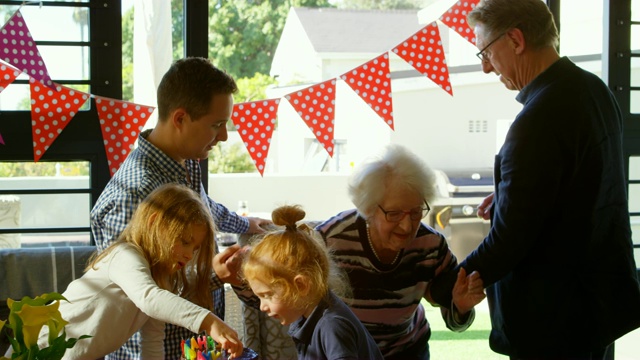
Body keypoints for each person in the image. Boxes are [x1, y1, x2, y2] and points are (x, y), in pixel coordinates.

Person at [429, 0, 640, 359]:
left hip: (555, 319)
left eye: (485, 51)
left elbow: (508, 242)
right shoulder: (593, 91)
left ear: (515, 39)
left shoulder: (536, 121)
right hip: (597, 306)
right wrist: (510, 198)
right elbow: (585, 184)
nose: (484, 67)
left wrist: (447, 283)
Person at [90, 57, 271, 359]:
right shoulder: (135, 194)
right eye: (216, 125)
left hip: (191, 344)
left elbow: (204, 207)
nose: (224, 136)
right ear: (180, 119)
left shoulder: (185, 161)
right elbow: (138, 296)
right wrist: (214, 274)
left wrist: (244, 224)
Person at [313, 144, 486, 359]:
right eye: (393, 213)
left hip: (408, 351)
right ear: (368, 208)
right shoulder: (329, 241)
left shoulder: (430, 245)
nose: (407, 226)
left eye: (415, 212)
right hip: (346, 352)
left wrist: (460, 307)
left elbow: (455, 321)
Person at [39, 184, 243, 359]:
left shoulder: (162, 279)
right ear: (154, 222)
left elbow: (152, 339)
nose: (189, 254)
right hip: (38, 350)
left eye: (195, 248)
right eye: (185, 241)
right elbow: (150, 299)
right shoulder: (124, 255)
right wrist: (208, 321)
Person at [241, 205, 384, 360]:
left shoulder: (332, 326)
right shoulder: (309, 315)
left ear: (301, 286)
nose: (262, 307)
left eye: (267, 295)